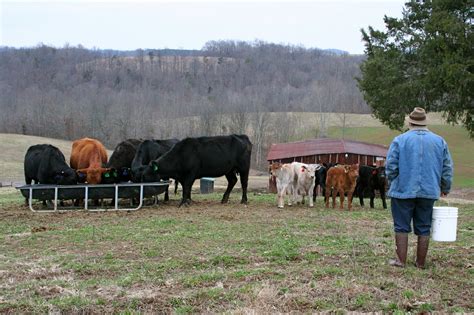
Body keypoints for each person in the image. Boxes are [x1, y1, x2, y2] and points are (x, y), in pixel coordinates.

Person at [385, 107, 453, 268]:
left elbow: (391, 166)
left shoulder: (400, 140)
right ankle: (420, 263)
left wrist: (394, 180)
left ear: (410, 122)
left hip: (402, 190)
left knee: (401, 225)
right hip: (429, 191)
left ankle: (401, 261)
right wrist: (445, 187)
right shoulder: (439, 141)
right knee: (424, 226)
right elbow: (447, 168)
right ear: (424, 123)